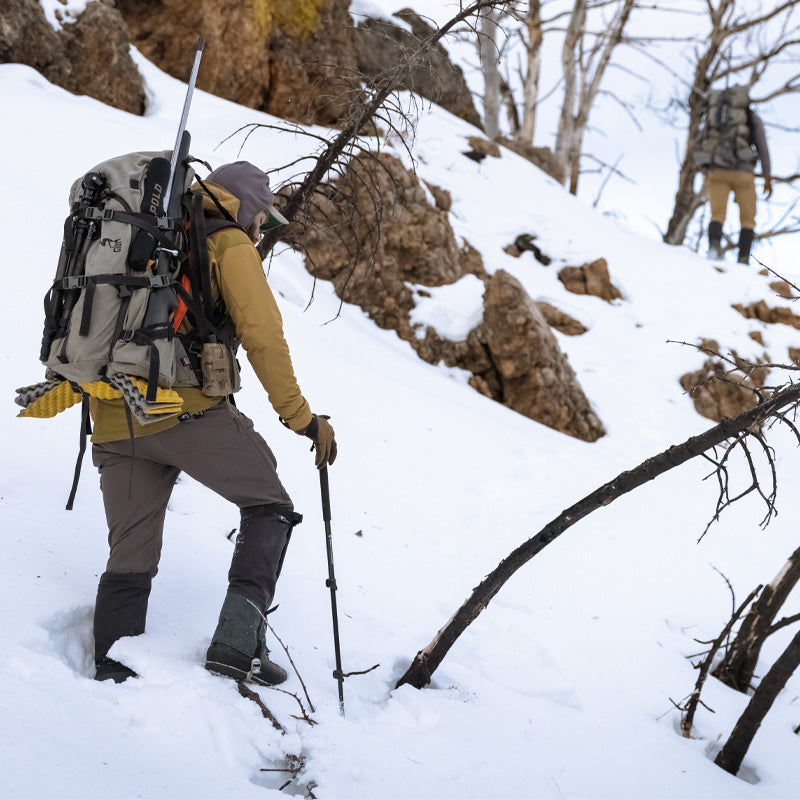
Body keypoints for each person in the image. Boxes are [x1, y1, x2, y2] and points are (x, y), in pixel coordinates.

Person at [90, 161, 337, 685]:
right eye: (260, 219)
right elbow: (265, 336)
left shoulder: (150, 229)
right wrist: (302, 419)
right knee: (270, 505)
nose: (259, 230)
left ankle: (110, 671)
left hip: (113, 413)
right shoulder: (227, 243)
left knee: (130, 551)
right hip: (182, 412)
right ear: (246, 207)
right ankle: (236, 647)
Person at [706, 108, 772, 264]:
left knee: (717, 214)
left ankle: (714, 250)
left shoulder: (718, 115)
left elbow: (703, 141)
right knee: (748, 219)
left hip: (718, 171)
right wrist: (767, 176)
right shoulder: (752, 117)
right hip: (744, 173)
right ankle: (743, 258)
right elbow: (762, 148)